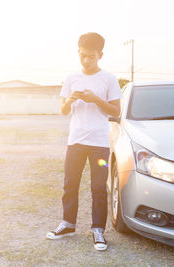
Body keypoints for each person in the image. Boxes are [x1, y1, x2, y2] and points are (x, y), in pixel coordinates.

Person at [46, 32, 122, 251]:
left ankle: (98, 230)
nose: (86, 60)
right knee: (70, 184)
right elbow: (63, 110)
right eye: (82, 55)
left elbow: (116, 110)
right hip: (76, 140)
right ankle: (68, 224)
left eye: (91, 56)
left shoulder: (109, 78)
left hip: (99, 142)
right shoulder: (71, 78)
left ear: (101, 55)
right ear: (78, 52)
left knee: (99, 187)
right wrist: (69, 100)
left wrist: (95, 99)